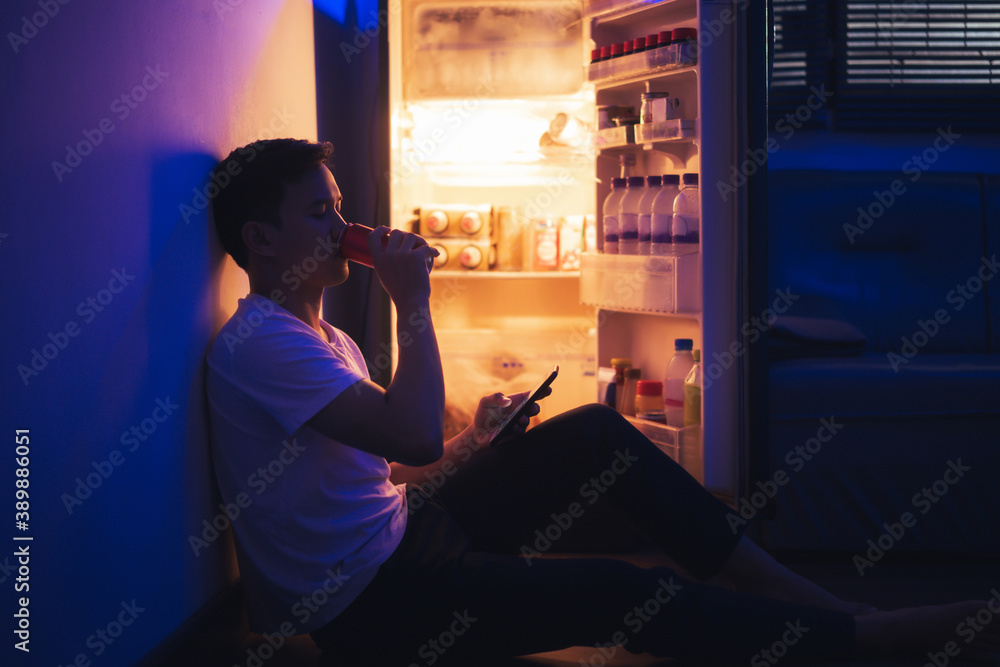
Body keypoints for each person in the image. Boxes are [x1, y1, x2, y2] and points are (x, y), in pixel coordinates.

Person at [205, 138, 1000, 665]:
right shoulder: (261, 344)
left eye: (340, 206)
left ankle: (789, 590)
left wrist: (477, 442)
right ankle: (858, 641)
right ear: (261, 239)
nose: (347, 226)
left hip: (408, 536)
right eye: (322, 213)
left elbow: (397, 475)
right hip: (374, 606)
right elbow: (412, 435)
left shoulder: (319, 337)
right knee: (626, 592)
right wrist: (413, 297)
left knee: (592, 432)